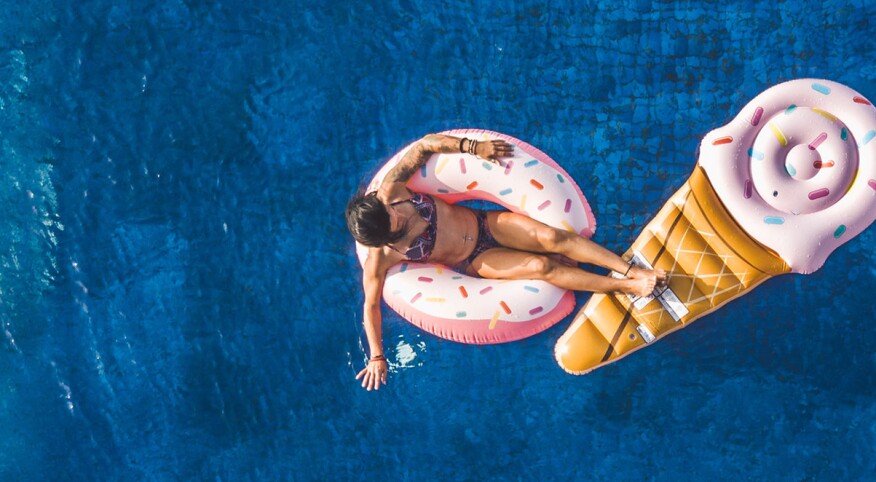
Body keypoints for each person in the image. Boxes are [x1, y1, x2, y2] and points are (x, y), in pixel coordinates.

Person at [346, 134, 667, 391]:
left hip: (486, 223)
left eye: (386, 207)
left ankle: (630, 269)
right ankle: (627, 285)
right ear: (383, 235)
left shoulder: (391, 191)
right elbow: (371, 305)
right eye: (390, 218)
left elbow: (425, 145)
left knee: (555, 239)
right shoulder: (383, 256)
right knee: (543, 269)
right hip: (476, 259)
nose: (393, 209)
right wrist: (377, 356)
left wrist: (472, 148)